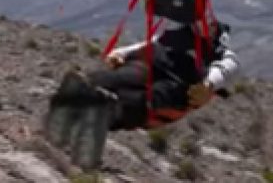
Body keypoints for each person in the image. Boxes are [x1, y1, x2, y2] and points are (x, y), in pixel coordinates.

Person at [44, 16, 240, 171]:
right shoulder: (175, 36)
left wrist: (208, 84)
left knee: (138, 101)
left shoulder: (220, 53)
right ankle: (66, 117)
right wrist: (123, 53)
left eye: (212, 25)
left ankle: (105, 116)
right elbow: (148, 44)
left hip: (177, 86)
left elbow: (227, 68)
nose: (206, 25)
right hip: (147, 66)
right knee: (101, 80)